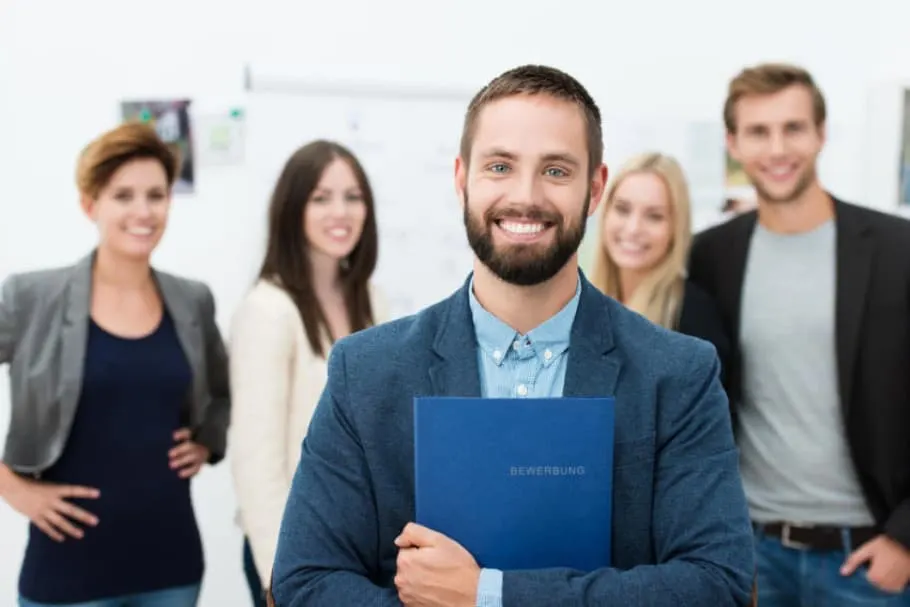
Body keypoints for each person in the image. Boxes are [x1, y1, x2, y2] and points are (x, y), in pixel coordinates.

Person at [270, 64, 755, 606]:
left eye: (556, 171)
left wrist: (487, 596)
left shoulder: (677, 374)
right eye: (500, 166)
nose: (525, 196)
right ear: (462, 180)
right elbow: (305, 583)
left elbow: (718, 585)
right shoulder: (366, 373)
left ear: (595, 188)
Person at [688, 62, 910, 605]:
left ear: (820, 134)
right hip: (753, 554)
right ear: (733, 143)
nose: (777, 148)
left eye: (793, 128)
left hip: (864, 560)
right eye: (758, 132)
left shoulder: (896, 249)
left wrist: (905, 538)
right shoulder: (713, 255)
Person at [0, 122, 230, 606]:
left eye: (156, 195)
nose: (143, 212)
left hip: (172, 566)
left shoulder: (192, 300)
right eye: (123, 195)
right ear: (91, 204)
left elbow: (223, 392)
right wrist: (13, 487)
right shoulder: (29, 297)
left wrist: (207, 441)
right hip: (66, 572)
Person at [227, 139, 388, 606]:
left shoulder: (371, 299)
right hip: (296, 551)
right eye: (321, 198)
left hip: (362, 548)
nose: (340, 211)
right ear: (292, 209)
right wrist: (278, 572)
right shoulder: (267, 310)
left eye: (353, 197)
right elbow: (258, 463)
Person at [590, 152, 730, 383]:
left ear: (675, 228)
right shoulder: (584, 305)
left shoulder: (694, 320)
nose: (633, 228)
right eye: (623, 210)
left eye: (654, 216)